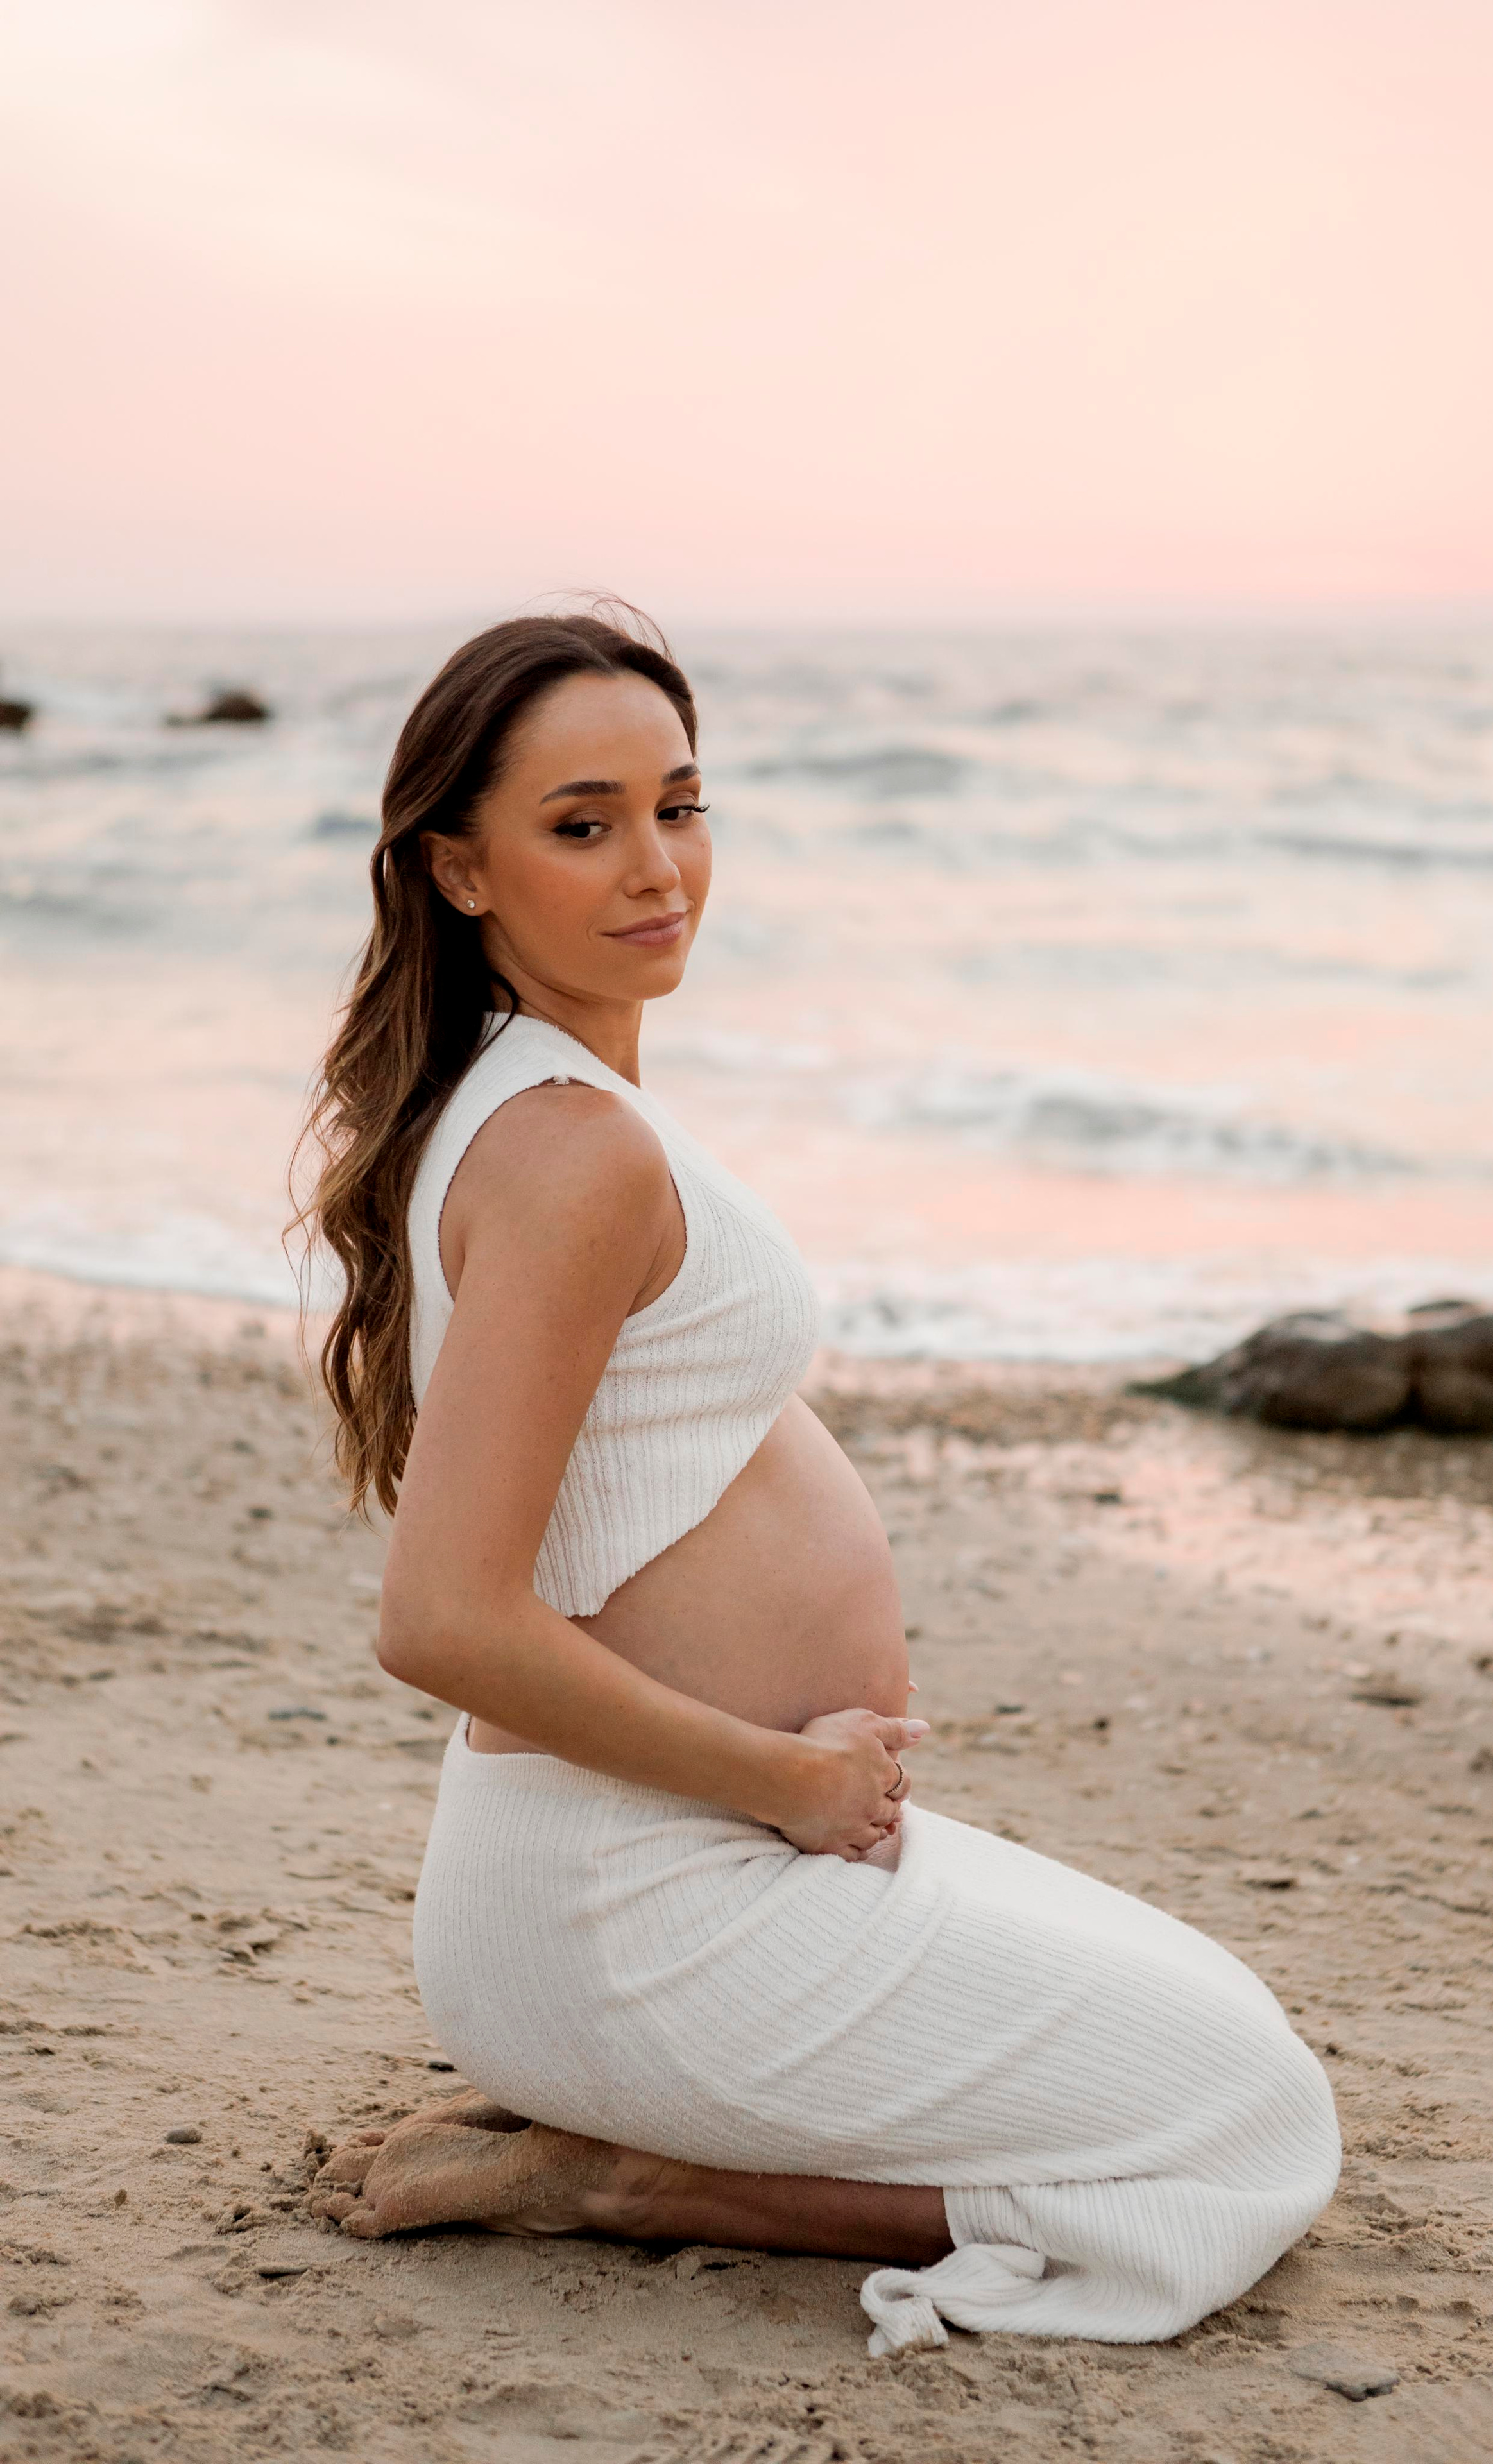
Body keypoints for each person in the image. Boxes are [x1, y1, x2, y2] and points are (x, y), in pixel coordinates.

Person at [296, 608, 1340, 2354]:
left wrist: (783, 1799)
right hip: (641, 1907)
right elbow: (442, 1619)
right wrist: (782, 1775)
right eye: (584, 822)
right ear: (461, 870)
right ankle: (621, 2182)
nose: (658, 866)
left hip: (695, 1861)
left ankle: (618, 2131)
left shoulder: (547, 1103)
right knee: (1249, 2124)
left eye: (682, 806)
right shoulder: (566, 1151)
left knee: (1221, 2033)